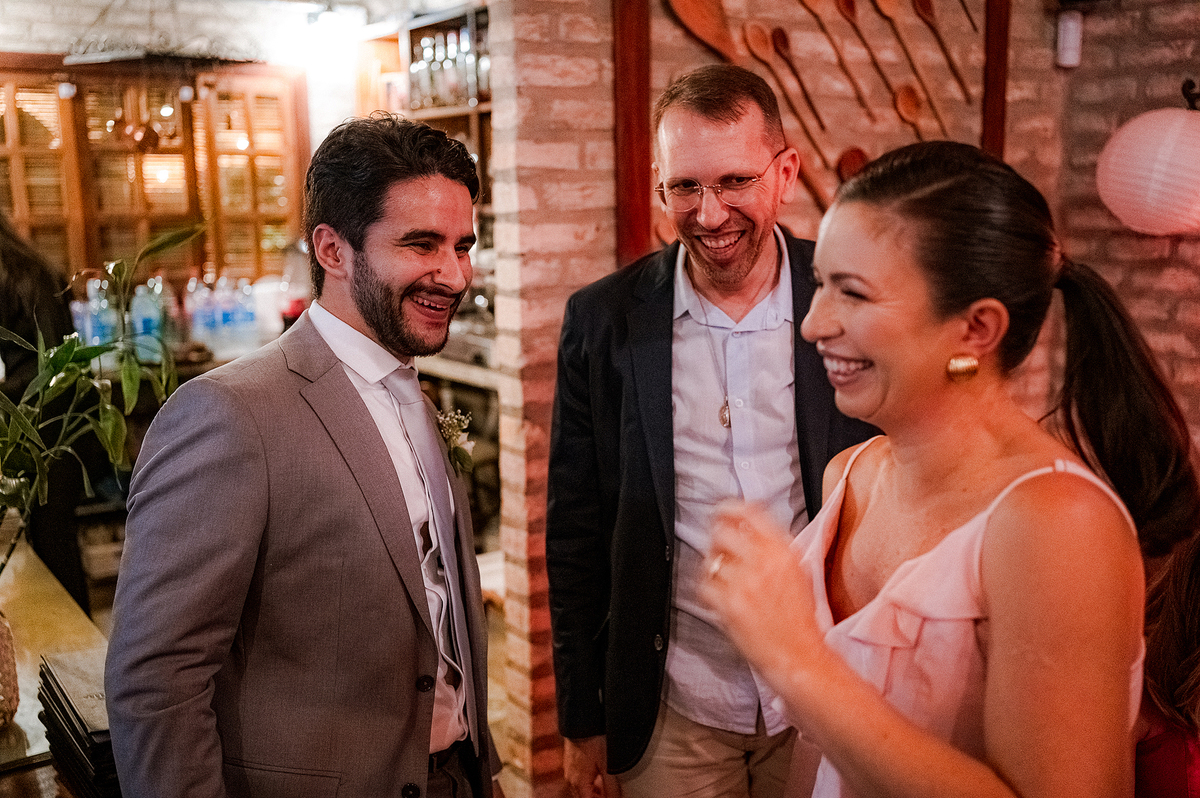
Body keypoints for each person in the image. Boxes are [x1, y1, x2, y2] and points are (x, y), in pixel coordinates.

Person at [700, 140, 1200, 798]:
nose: (814, 325)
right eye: (820, 284)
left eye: (853, 293)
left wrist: (797, 661)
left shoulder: (1058, 524)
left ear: (976, 329)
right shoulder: (852, 473)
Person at [106, 114, 504, 798]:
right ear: (333, 250)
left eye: (462, 246)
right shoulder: (231, 415)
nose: (454, 274)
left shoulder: (414, 391)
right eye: (421, 244)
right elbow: (157, 681)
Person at [546, 64, 876, 798]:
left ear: (784, 173)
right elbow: (575, 533)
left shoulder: (848, 299)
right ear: (659, 186)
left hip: (830, 690)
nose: (710, 213)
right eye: (685, 187)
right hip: (675, 703)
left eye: (734, 182)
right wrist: (582, 718)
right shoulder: (602, 321)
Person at [0, 210, 97, 614]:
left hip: (49, 423)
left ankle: (72, 644)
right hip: (55, 420)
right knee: (52, 539)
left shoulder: (16, 274)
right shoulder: (27, 266)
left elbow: (51, 365)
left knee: (52, 540)